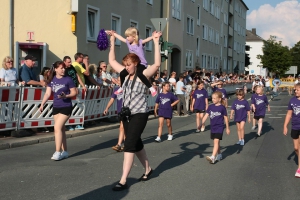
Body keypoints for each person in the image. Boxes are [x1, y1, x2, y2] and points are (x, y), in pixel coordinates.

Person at [108, 30, 162, 191]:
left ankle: (123, 180)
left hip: (140, 113)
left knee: (129, 144)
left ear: (135, 64)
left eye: (128, 65)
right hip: (127, 113)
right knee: (136, 143)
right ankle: (148, 169)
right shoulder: (125, 75)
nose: (126, 68)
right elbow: (111, 60)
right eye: (125, 65)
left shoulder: (143, 73)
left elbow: (157, 64)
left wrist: (156, 42)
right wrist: (112, 41)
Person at [39, 61, 77, 161]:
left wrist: (66, 96)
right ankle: (65, 152)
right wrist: (42, 104)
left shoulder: (68, 79)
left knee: (57, 127)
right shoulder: (51, 79)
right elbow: (47, 93)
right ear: (55, 69)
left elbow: (74, 92)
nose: (63, 69)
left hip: (66, 106)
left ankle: (57, 152)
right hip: (56, 106)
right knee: (61, 129)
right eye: (61, 68)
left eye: (64, 68)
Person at [108, 28, 157, 97]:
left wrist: (153, 36)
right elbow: (121, 38)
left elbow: (147, 40)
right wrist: (113, 34)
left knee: (139, 74)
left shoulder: (139, 43)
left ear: (134, 37)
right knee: (122, 74)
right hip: (133, 64)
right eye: (126, 36)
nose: (127, 38)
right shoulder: (128, 43)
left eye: (128, 36)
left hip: (141, 63)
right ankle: (121, 88)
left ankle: (151, 88)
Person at [202, 91, 230, 164]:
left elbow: (226, 118)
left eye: (214, 98)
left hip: (219, 127)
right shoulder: (211, 107)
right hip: (213, 127)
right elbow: (206, 115)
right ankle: (219, 154)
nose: (213, 100)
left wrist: (227, 128)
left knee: (216, 141)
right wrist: (201, 123)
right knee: (216, 142)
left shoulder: (222, 108)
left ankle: (213, 157)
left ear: (219, 99)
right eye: (212, 98)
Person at [283, 83, 300, 177]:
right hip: (295, 126)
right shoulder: (292, 100)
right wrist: (285, 126)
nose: (295, 91)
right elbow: (289, 114)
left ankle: (299, 168)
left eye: (297, 90)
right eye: (295, 90)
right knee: (296, 148)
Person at [103, 84, 125, 152]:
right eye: (118, 80)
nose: (118, 82)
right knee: (124, 128)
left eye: (119, 80)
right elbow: (112, 99)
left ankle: (119, 144)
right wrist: (107, 108)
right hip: (120, 111)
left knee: (122, 127)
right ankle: (126, 144)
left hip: (126, 111)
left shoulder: (127, 89)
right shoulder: (117, 89)